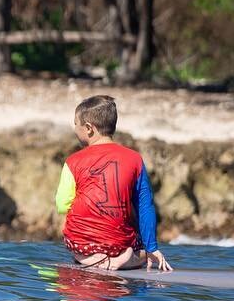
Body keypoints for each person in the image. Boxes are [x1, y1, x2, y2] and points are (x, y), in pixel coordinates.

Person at [56, 95, 172, 271]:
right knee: (140, 251)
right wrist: (152, 248)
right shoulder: (135, 159)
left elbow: (62, 205)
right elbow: (145, 206)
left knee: (75, 240)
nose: (74, 129)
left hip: (83, 243)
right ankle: (129, 258)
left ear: (88, 128)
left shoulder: (72, 162)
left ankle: (96, 260)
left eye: (75, 124)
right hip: (120, 241)